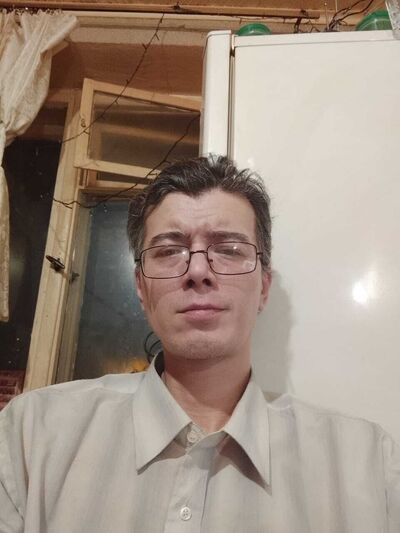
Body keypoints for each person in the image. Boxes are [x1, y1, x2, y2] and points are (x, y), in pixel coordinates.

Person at [0, 155, 399, 533]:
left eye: (229, 249)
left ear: (264, 287)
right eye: (168, 250)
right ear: (141, 287)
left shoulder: (367, 467)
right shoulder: (31, 437)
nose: (197, 270)